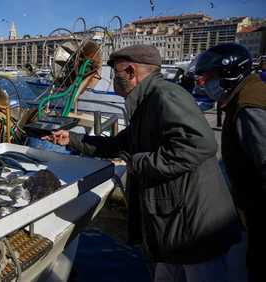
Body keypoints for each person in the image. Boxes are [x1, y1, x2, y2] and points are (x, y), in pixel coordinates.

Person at [43, 45, 241, 281]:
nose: (113, 80)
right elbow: (118, 144)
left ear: (130, 71)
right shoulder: (146, 101)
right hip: (173, 225)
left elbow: (199, 145)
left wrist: (138, 163)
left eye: (116, 74)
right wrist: (72, 139)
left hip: (195, 226)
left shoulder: (165, 96)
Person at [195, 43, 266, 282]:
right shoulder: (243, 97)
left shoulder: (249, 106)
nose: (205, 83)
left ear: (230, 74)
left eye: (210, 77)